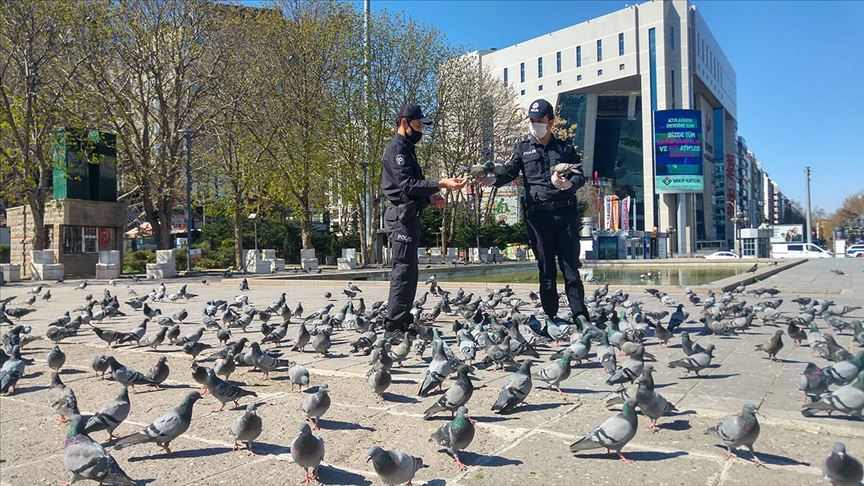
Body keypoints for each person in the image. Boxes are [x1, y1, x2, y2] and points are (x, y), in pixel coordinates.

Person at [477, 98, 590, 324]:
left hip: (565, 214)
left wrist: (568, 185)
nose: (535, 124)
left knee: (571, 269)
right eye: (532, 120)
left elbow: (580, 176)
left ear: (551, 122)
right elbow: (509, 172)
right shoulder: (522, 149)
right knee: (545, 270)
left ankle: (580, 315)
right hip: (538, 218)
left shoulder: (565, 148)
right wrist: (492, 180)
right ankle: (550, 317)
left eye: (540, 120)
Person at [381, 103, 467, 337]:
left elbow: (414, 187)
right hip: (400, 217)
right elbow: (406, 185)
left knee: (410, 271)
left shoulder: (408, 149)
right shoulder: (397, 149)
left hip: (408, 216)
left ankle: (403, 318)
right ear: (404, 123)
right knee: (402, 270)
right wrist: (441, 183)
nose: (422, 131)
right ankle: (393, 326)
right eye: (418, 125)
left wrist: (430, 198)